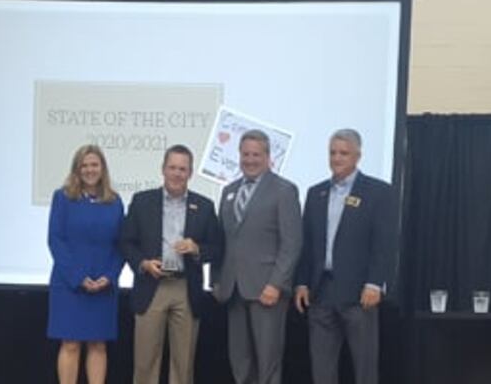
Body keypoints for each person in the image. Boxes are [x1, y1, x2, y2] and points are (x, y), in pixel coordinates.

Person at [294, 129, 398, 384]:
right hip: (321, 293)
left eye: (344, 153)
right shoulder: (315, 193)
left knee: (364, 368)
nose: (337, 158)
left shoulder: (378, 192)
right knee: (321, 368)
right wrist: (302, 282)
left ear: (358, 156)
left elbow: (384, 243)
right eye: (333, 152)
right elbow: (307, 245)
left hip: (359, 295)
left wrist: (375, 283)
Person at [120, 144, 222, 384]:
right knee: (145, 363)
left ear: (190, 172)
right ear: (163, 169)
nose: (177, 173)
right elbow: (126, 242)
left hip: (186, 288)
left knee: (183, 365)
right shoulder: (142, 201)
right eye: (172, 167)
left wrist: (197, 249)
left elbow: (217, 248)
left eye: (182, 169)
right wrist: (143, 263)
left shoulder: (205, 206)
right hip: (151, 285)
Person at [213, 129, 303, 384]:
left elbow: (292, 243)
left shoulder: (284, 190)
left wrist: (276, 284)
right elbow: (223, 241)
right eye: (245, 154)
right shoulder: (229, 190)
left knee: (268, 362)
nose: (250, 160)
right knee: (239, 360)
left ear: (267, 157)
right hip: (233, 290)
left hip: (267, 291)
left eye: (256, 154)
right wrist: (218, 280)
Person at [47, 145, 124, 384]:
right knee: (70, 343)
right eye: (85, 165)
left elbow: (121, 244)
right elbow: (55, 240)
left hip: (103, 285)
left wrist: (109, 276)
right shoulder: (63, 198)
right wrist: (78, 277)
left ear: (102, 169)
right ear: (77, 169)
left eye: (94, 165)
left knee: (98, 345)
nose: (90, 170)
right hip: (69, 284)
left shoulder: (114, 201)